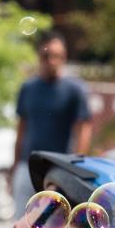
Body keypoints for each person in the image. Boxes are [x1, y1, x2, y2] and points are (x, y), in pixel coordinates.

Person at [11, 32, 93, 212]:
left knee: (52, 227)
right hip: (27, 165)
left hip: (58, 169)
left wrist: (75, 170)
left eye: (58, 56)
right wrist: (15, 166)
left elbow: (83, 130)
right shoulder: (28, 88)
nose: (52, 61)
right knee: (20, 222)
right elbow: (21, 130)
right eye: (47, 55)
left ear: (64, 57)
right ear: (39, 56)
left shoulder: (75, 90)